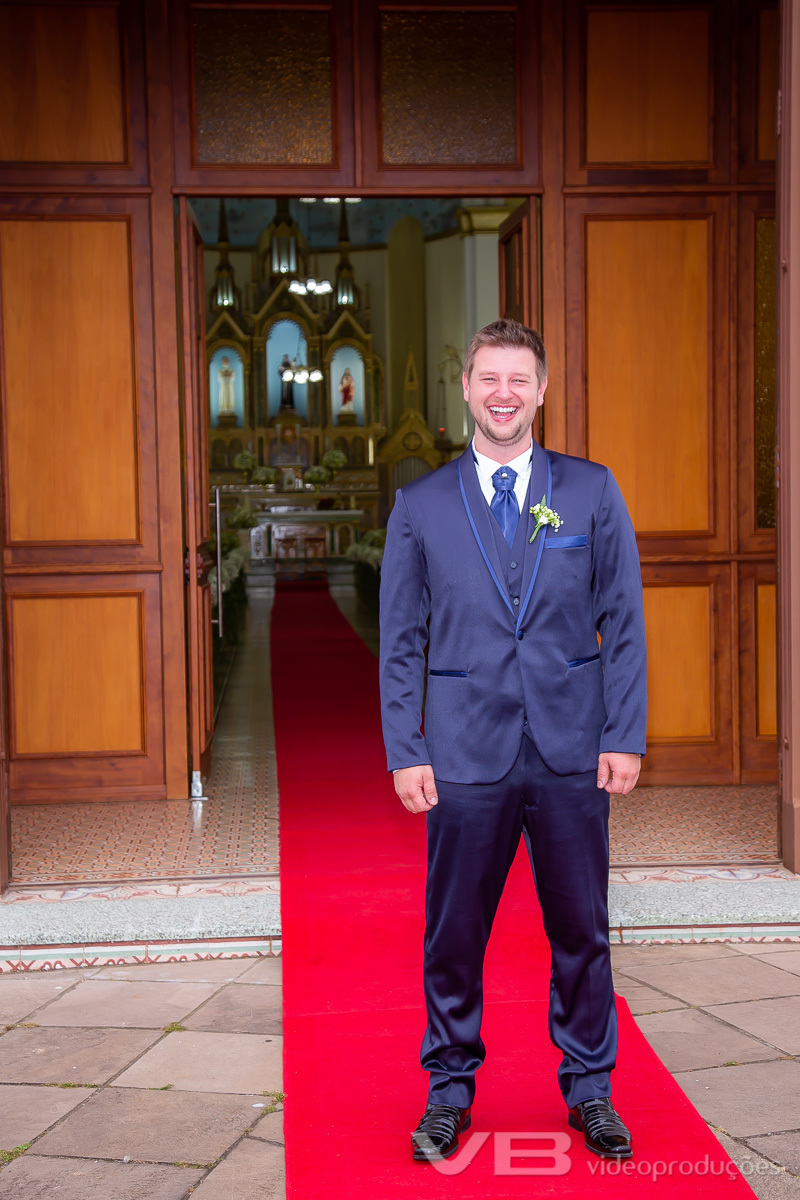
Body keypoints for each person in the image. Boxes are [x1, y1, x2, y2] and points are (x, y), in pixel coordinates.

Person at [379, 319, 647, 1165]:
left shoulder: (592, 491)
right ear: (465, 388)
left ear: (541, 389)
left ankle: (591, 1089)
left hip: (572, 748)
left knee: (583, 931)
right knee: (454, 933)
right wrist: (405, 746)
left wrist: (624, 734)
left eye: (518, 380)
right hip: (463, 751)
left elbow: (624, 624)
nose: (503, 395)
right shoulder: (420, 506)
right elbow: (401, 640)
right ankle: (449, 1092)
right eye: (488, 379)